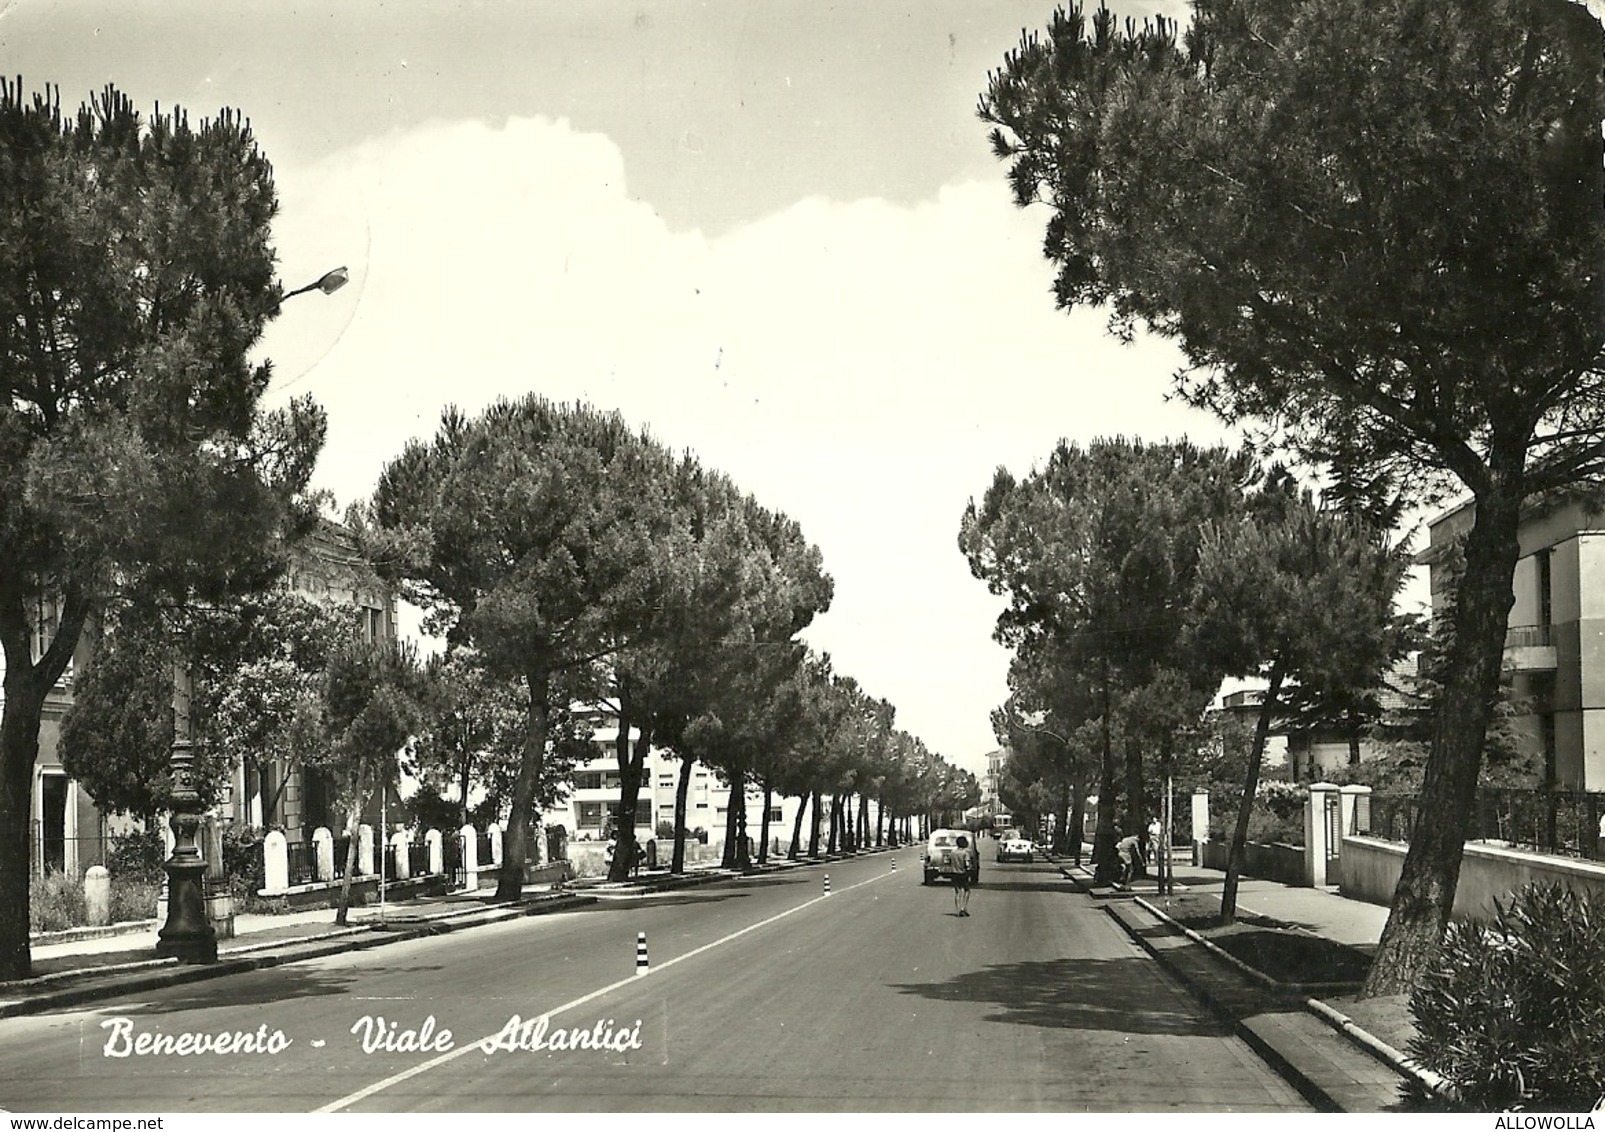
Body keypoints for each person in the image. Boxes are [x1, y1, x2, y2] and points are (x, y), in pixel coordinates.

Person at [952, 834, 973, 916]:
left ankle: (957, 910)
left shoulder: (953, 853)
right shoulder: (965, 853)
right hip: (963, 874)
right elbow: (967, 864)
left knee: (957, 892)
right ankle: (964, 907)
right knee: (967, 891)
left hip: (954, 873)